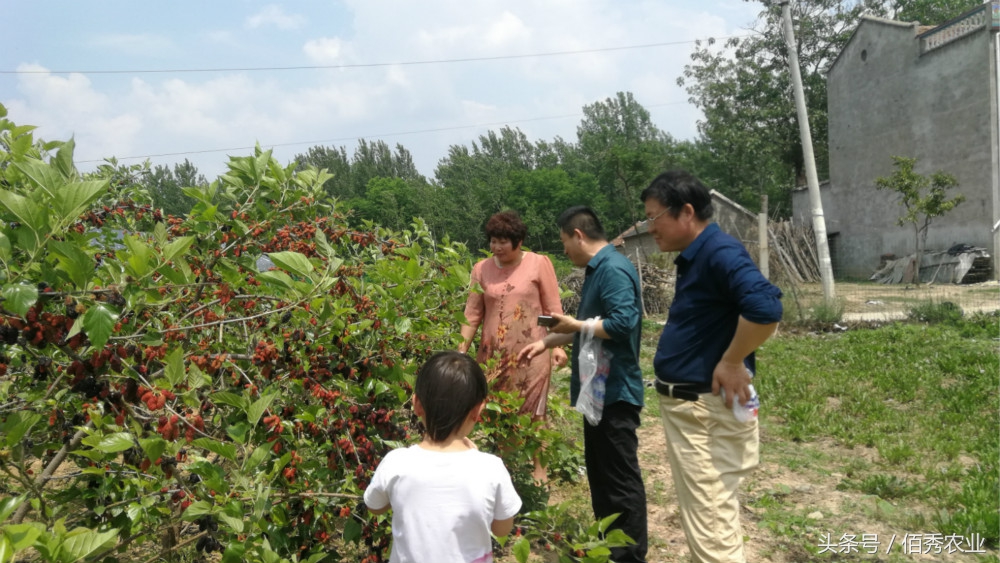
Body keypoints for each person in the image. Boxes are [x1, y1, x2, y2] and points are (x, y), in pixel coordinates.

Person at [640, 170, 783, 563]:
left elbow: (766, 308)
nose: (649, 228)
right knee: (713, 514)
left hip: (703, 412)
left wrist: (733, 360)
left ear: (686, 212)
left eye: (654, 217)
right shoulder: (699, 255)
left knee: (710, 523)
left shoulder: (718, 252)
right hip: (696, 410)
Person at [517, 206, 647, 563]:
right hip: (599, 393)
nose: (564, 251)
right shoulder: (597, 270)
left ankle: (629, 556)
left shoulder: (614, 269)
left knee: (619, 483)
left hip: (616, 393)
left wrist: (573, 326)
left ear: (578, 235)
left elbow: (621, 324)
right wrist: (545, 342)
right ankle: (609, 549)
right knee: (603, 480)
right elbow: (589, 326)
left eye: (563, 242)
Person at [364, 351, 522, 563]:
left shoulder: (396, 463)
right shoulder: (491, 468)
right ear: (478, 410)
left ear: (417, 404)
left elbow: (374, 506)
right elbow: (502, 528)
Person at [459, 210, 568, 482]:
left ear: (518, 241)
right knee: (498, 413)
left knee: (535, 412)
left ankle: (539, 477)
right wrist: (460, 351)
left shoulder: (538, 263)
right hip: (493, 356)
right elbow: (472, 315)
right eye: (493, 241)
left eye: (503, 241)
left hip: (533, 353)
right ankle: (505, 475)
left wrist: (557, 345)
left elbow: (552, 307)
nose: (496, 247)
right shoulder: (481, 269)